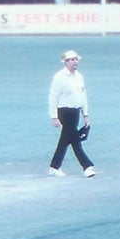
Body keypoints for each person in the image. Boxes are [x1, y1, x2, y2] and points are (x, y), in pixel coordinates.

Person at [47, 49, 96, 178]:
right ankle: (87, 166)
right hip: (64, 111)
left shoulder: (79, 76)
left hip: (75, 111)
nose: (76, 62)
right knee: (75, 139)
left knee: (65, 140)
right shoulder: (59, 77)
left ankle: (54, 166)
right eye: (73, 60)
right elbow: (53, 97)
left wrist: (85, 114)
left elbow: (83, 95)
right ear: (66, 62)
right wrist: (54, 116)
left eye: (76, 60)